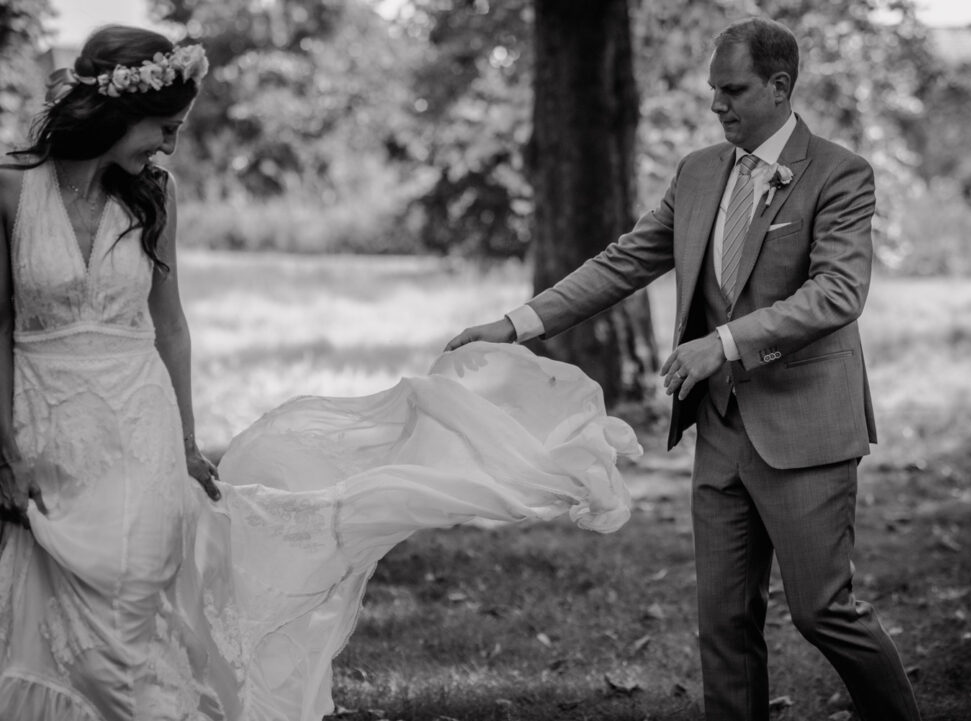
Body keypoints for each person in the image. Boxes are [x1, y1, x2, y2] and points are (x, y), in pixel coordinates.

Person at [0, 25, 639, 721]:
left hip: (139, 422)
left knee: (131, 605)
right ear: (115, 112)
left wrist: (185, 442)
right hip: (47, 422)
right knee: (54, 615)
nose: (169, 146)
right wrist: (6, 448)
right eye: (163, 128)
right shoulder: (11, 192)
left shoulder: (153, 195)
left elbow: (172, 325)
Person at [447, 16, 922, 721]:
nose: (716, 105)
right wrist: (517, 324)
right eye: (712, 91)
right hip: (721, 430)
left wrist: (722, 342)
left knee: (823, 611)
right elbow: (624, 260)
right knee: (723, 623)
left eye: (732, 90)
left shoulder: (840, 173)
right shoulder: (699, 172)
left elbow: (837, 294)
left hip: (806, 426)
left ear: (780, 87)